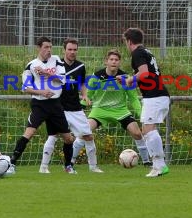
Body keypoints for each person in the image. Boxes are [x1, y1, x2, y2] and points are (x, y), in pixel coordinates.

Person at [10, 36, 77, 173]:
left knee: (68, 138)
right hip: (39, 105)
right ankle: (11, 164)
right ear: (39, 48)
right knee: (29, 132)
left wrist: (47, 73)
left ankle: (68, 166)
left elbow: (62, 80)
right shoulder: (31, 65)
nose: (49, 50)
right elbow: (25, 88)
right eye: (46, 47)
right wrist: (41, 92)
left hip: (55, 105)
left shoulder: (57, 60)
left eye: (50, 47)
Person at [39, 38, 103, 174]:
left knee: (88, 136)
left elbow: (82, 84)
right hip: (58, 108)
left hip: (75, 108)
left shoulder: (80, 66)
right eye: (70, 49)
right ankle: (43, 167)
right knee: (53, 136)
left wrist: (85, 95)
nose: (72, 52)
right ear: (64, 50)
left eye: (75, 49)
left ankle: (93, 167)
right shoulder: (56, 65)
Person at [84, 49, 151, 168]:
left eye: (116, 60)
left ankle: (146, 161)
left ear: (119, 62)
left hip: (120, 110)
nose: (114, 62)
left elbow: (133, 99)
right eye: (111, 59)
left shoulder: (125, 77)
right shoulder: (96, 76)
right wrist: (83, 103)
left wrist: (141, 113)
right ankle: (70, 163)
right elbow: (88, 96)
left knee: (136, 132)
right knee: (84, 131)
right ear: (106, 61)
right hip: (100, 110)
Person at [121, 28, 170, 177]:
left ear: (129, 41)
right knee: (147, 130)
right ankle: (159, 165)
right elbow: (144, 77)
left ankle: (159, 166)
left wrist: (130, 79)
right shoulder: (146, 51)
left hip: (155, 96)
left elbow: (144, 73)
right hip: (157, 95)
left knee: (148, 131)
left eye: (125, 42)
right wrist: (129, 81)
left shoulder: (137, 53)